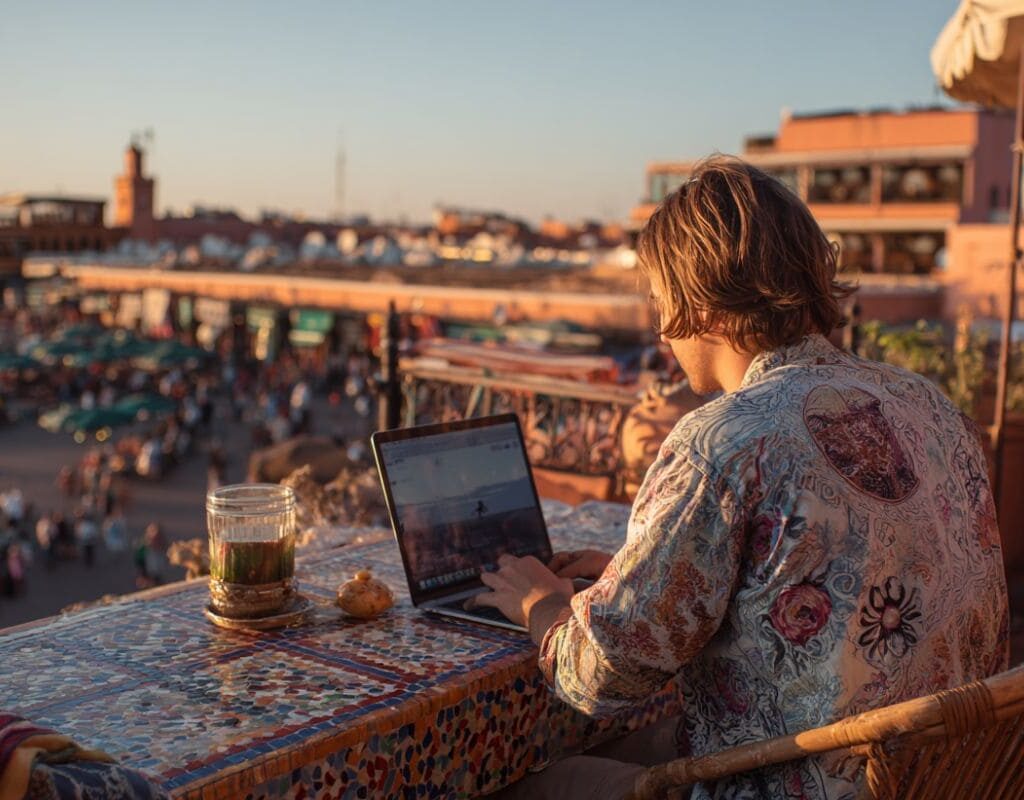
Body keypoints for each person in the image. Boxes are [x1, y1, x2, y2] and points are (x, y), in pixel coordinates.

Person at [475, 157, 1009, 800]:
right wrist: (637, 573)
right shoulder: (931, 406)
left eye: (660, 297)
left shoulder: (722, 443)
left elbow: (601, 678)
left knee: (520, 783)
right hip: (939, 775)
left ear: (699, 303)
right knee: (622, 749)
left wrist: (542, 605)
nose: (658, 323)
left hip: (802, 781)